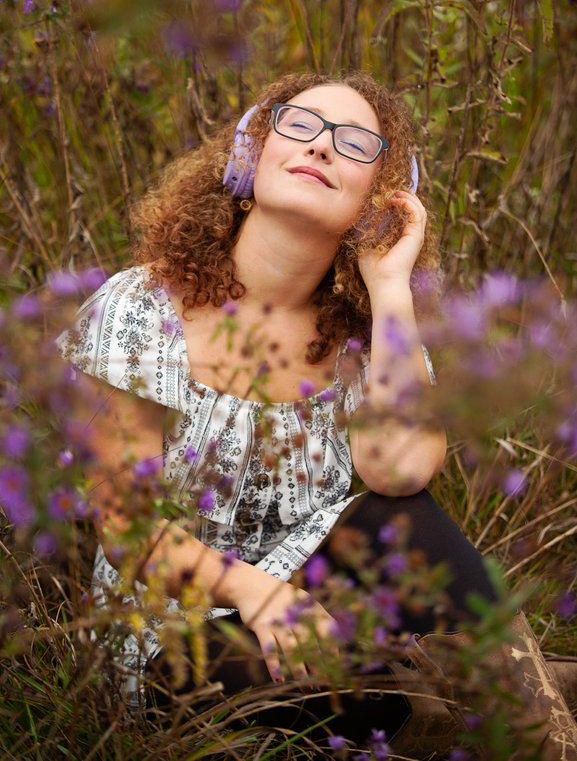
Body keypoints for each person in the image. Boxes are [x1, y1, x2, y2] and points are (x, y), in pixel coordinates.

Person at [58, 72, 577, 758]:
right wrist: (256, 592)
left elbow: (400, 472)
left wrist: (390, 286)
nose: (323, 147)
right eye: (299, 124)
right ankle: (530, 697)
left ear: (375, 198)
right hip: (176, 627)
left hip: (324, 597)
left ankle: (527, 719)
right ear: (252, 154)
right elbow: (125, 527)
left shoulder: (362, 339)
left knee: (400, 515)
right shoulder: (141, 306)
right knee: (361, 694)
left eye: (355, 142)